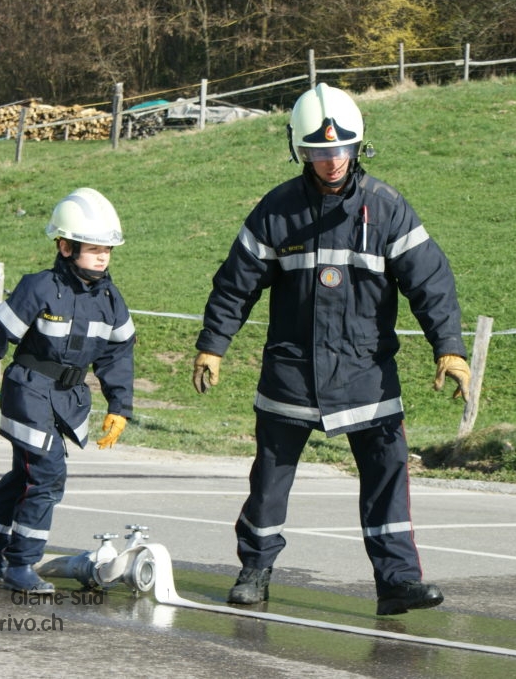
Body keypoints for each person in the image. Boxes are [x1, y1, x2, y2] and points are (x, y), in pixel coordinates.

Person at [192, 83, 471, 615]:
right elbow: (235, 283)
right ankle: (255, 570)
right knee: (270, 481)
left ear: (359, 146)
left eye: (341, 149)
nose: (331, 161)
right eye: (318, 152)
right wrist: (213, 344)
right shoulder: (276, 211)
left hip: (366, 372)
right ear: (300, 151)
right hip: (291, 374)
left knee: (387, 477)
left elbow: (431, 282)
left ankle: (397, 582)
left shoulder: (387, 208)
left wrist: (449, 348)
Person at [0, 187, 135, 593]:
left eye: (108, 250)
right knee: (47, 473)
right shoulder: (37, 288)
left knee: (22, 476)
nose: (102, 257)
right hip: (27, 391)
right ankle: (21, 564)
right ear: (65, 246)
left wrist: (120, 406)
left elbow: (117, 357)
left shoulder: (111, 301)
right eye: (94, 248)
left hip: (67, 399)